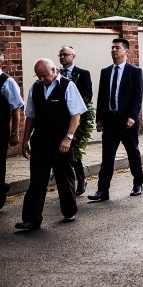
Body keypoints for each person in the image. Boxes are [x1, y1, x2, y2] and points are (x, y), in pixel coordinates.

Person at [15, 59, 87, 230]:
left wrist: (68, 138)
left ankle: (69, 211)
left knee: (64, 176)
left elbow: (76, 115)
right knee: (37, 180)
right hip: (40, 140)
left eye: (44, 76)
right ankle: (31, 218)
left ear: (54, 70)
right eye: (38, 76)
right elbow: (30, 116)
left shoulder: (67, 86)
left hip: (61, 139)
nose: (42, 79)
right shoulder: (36, 88)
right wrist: (25, 141)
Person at [89, 38, 143, 201]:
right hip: (110, 121)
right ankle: (102, 190)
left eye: (117, 48)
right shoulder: (106, 72)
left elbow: (137, 97)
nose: (114, 50)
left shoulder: (135, 71)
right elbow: (101, 97)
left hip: (127, 122)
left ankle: (138, 183)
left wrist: (132, 117)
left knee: (133, 153)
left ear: (126, 51)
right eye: (112, 48)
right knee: (107, 156)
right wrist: (99, 119)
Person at [58, 46, 93, 196]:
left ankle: (81, 178)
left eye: (65, 54)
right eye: (60, 55)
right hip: (60, 119)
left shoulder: (83, 74)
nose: (62, 57)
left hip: (77, 118)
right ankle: (68, 181)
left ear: (73, 56)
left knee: (74, 150)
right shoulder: (56, 74)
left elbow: (87, 96)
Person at [0, 50, 24, 215]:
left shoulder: (7, 82)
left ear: (1, 63)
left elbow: (16, 109)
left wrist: (15, 133)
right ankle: (0, 188)